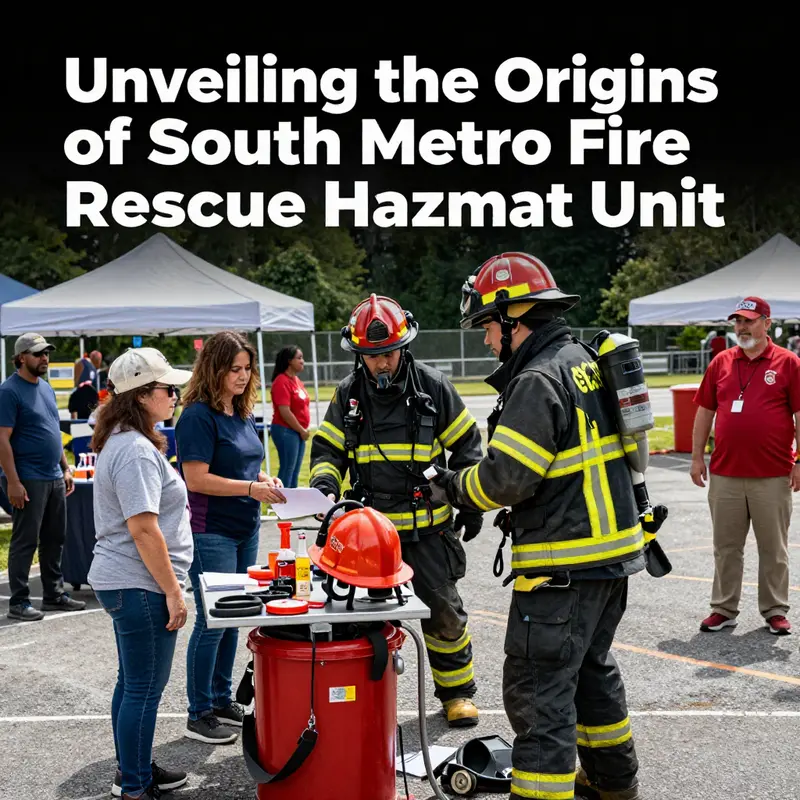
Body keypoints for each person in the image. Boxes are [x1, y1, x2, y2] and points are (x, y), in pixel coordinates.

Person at [428, 253, 646, 799]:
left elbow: (506, 480)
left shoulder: (536, 379)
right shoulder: (582, 360)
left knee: (539, 693)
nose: (485, 340)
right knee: (593, 676)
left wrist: (453, 487)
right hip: (610, 562)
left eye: (486, 327)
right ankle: (613, 786)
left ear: (513, 316)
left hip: (560, 571)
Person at [309, 294, 484, 727]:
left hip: (429, 533)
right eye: (371, 356)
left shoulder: (434, 388)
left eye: (387, 353)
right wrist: (325, 485)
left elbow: (467, 448)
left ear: (404, 347)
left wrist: (470, 500)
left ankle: (457, 694)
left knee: (443, 613)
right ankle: (364, 700)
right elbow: (328, 449)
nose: (381, 364)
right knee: (360, 622)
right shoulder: (348, 395)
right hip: (369, 537)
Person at [87, 347, 195, 800]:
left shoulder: (125, 440)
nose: (174, 394)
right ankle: (134, 785)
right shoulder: (133, 450)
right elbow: (144, 529)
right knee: (145, 689)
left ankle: (131, 769)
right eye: (167, 388)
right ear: (141, 395)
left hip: (126, 580)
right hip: (140, 583)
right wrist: (173, 591)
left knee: (132, 683)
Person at [175, 330, 286, 745]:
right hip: (211, 532)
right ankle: (198, 710)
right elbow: (197, 479)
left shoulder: (241, 412)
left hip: (245, 527)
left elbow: (241, 465)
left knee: (235, 618)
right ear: (214, 369)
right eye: (233, 369)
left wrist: (261, 478)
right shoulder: (197, 416)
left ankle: (221, 699)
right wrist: (250, 489)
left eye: (247, 368)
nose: (242, 376)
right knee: (212, 621)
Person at [691, 297, 800, 635]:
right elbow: (705, 411)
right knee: (726, 548)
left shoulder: (788, 363)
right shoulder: (721, 362)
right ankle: (723, 608)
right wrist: (696, 457)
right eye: (737, 321)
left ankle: (774, 610)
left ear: (767, 323)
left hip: (773, 474)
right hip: (725, 474)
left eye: (749, 321)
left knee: (774, 548)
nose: (742, 328)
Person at [0, 333, 84, 621]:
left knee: (54, 537)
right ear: (21, 357)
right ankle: (19, 602)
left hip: (53, 475)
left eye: (46, 353)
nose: (44, 358)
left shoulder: (46, 388)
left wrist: (65, 467)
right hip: (27, 477)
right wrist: (12, 481)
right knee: (26, 540)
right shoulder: (9, 391)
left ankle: (53, 595)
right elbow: (2, 439)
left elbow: (52, 431)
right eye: (38, 354)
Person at [270, 344, 311, 488]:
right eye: (299, 358)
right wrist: (301, 430)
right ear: (289, 361)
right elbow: (285, 412)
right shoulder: (281, 381)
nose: (302, 361)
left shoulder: (297, 381)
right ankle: (280, 503)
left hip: (297, 432)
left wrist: (301, 430)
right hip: (286, 430)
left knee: (295, 472)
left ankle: (291, 505)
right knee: (287, 469)